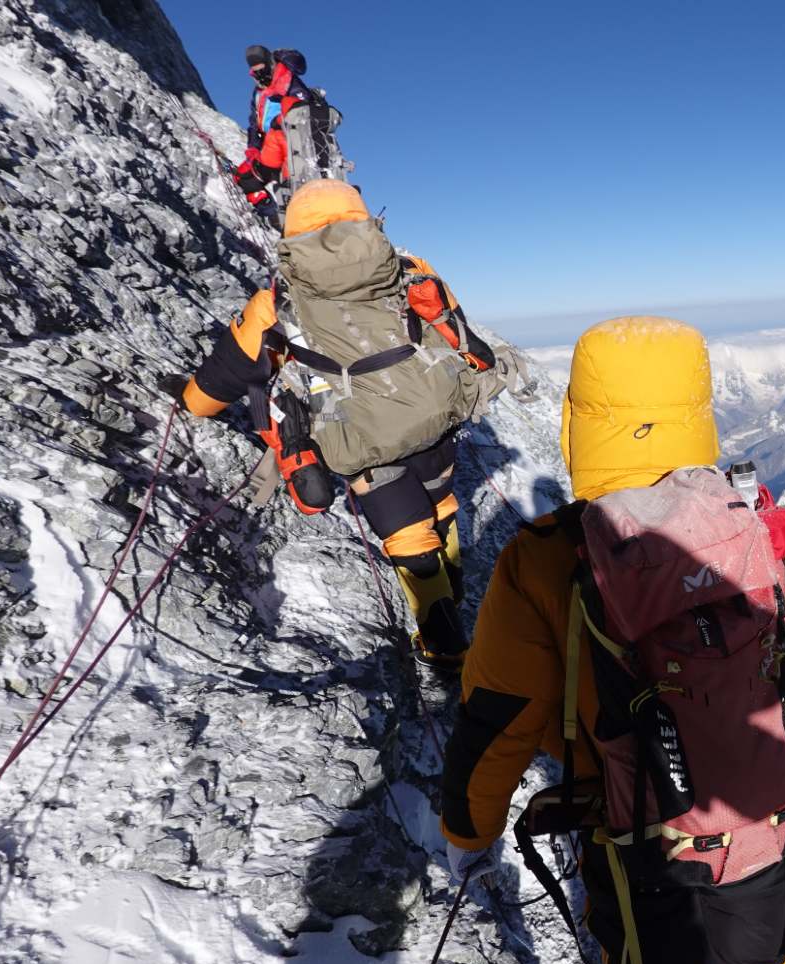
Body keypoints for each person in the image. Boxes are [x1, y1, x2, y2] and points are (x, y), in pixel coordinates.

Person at [439, 317, 785, 964]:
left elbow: (499, 717)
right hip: (760, 830)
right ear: (697, 409)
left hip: (634, 847)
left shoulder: (545, 562)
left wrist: (466, 827)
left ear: (581, 418)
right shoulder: (779, 540)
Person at [176, 179, 531, 669]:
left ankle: (442, 639)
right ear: (364, 219)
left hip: (359, 439)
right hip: (435, 417)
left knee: (407, 534)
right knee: (441, 501)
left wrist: (190, 398)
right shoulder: (412, 272)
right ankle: (452, 588)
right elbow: (454, 331)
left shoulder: (276, 302)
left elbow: (215, 389)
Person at [231, 45, 313, 220]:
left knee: (292, 188)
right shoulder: (258, 93)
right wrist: (253, 149)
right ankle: (272, 215)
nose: (259, 74)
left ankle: (295, 219)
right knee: (244, 177)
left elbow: (304, 109)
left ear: (269, 63)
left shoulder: (289, 80)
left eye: (261, 69)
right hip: (270, 148)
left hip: (293, 144)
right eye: (255, 71)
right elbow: (254, 125)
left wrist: (282, 121)